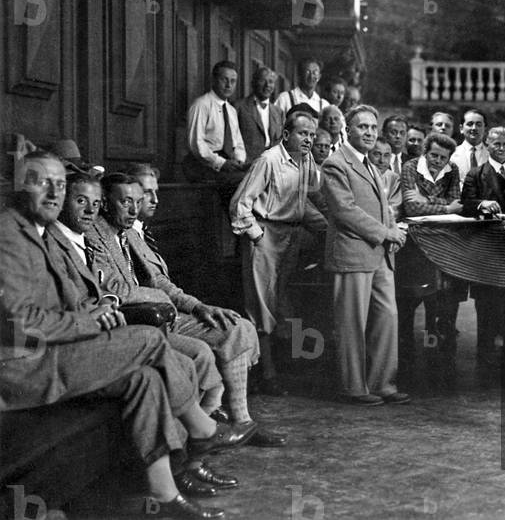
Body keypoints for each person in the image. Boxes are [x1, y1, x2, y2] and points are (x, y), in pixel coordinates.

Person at [1, 152, 247, 519]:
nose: (54, 193)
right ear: (22, 186)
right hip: (24, 368)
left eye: (60, 184)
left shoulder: (42, 232)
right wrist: (88, 322)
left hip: (56, 349)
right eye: (42, 182)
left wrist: (92, 311)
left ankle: (167, 497)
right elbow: (19, 321)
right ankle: (203, 428)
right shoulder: (9, 233)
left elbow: (62, 298)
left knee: (146, 379)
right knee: (148, 341)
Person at [89, 172, 279, 446]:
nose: (133, 209)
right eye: (125, 202)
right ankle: (203, 434)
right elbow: (115, 291)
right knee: (200, 353)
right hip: (139, 321)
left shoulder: (129, 230)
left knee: (236, 327)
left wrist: (199, 306)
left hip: (164, 313)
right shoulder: (95, 236)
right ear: (106, 203)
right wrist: (161, 299)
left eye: (136, 201)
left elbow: (160, 281)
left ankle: (242, 421)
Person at [229, 111, 327, 406]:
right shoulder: (269, 160)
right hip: (265, 235)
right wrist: (258, 236)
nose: (308, 139)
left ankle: (280, 368)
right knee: (262, 305)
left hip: (291, 235)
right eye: (302, 133)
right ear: (286, 135)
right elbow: (239, 205)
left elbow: (305, 203)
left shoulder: (306, 160)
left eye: (312, 134)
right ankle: (265, 375)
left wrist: (329, 226)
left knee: (282, 301)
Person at [321, 104, 409, 406]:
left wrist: (394, 230)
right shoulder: (336, 163)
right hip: (352, 254)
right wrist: (387, 233)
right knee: (351, 324)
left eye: (373, 127)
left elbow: (382, 207)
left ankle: (382, 383)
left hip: (380, 254)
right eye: (363, 127)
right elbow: (345, 210)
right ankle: (353, 388)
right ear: (348, 129)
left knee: (387, 317)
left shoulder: (370, 163)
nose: (370, 132)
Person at [460, 127, 505, 360]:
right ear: (488, 145)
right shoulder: (476, 174)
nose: (502, 149)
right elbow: (466, 205)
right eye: (497, 145)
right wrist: (482, 204)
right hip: (488, 252)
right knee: (486, 305)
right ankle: (484, 356)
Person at [398, 133, 463, 358]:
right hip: (414, 240)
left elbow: (458, 202)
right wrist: (444, 208)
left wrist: (426, 200)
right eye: (433, 155)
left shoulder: (452, 170)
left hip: (441, 239)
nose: (437, 161)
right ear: (425, 152)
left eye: (442, 158)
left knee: (440, 296)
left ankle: (436, 344)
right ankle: (406, 347)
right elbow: (411, 208)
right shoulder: (410, 167)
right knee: (410, 295)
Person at [184, 61, 247, 186]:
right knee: (244, 182)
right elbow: (196, 143)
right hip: (204, 164)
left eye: (233, 81)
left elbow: (238, 142)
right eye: (224, 80)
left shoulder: (231, 110)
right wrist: (221, 163)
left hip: (227, 162)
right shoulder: (201, 105)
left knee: (258, 177)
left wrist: (239, 160)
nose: (229, 85)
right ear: (214, 80)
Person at [235, 67, 284, 164]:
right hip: (248, 165)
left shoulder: (278, 112)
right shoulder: (239, 107)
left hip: (272, 164)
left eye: (271, 81)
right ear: (253, 83)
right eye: (262, 81)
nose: (267, 85)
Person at [450, 109, 489, 186]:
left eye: (478, 124)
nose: (474, 128)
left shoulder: (492, 155)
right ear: (461, 128)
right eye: (470, 124)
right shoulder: (451, 154)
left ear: (485, 129)